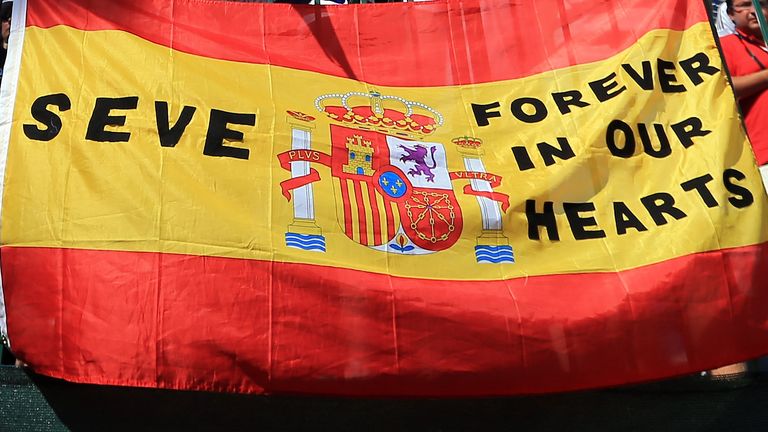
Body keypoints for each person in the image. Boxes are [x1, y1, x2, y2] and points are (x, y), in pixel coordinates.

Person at [720, 0, 768, 188]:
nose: (753, 11)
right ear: (731, 14)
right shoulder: (725, 45)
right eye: (745, 5)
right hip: (763, 152)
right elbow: (725, 87)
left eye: (761, 5)